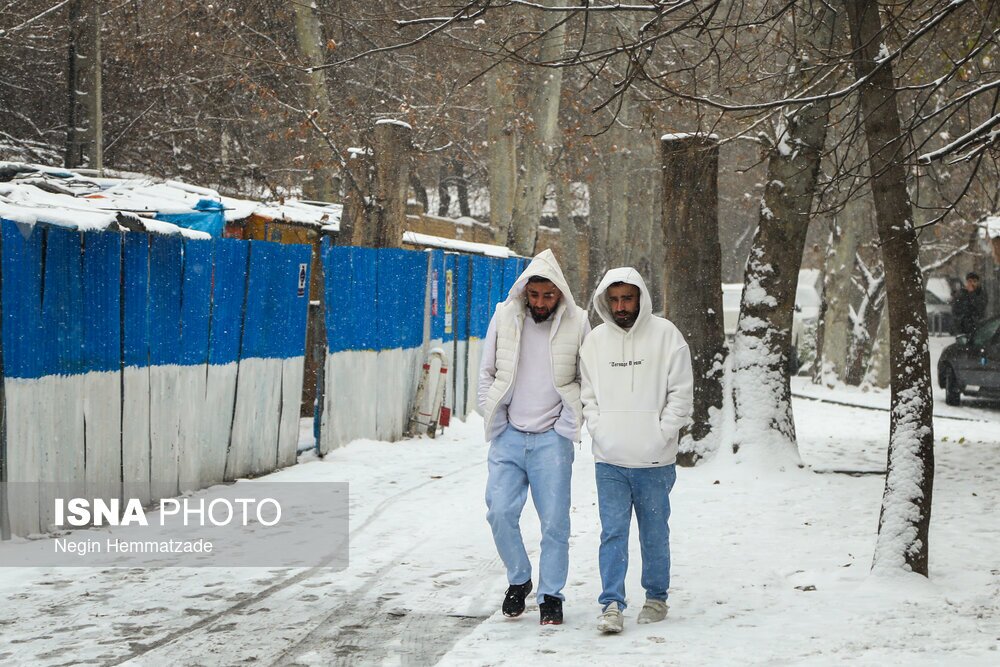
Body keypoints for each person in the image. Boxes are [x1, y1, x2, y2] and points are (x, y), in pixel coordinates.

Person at [478, 248, 590, 626]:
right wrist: (493, 415)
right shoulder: (504, 316)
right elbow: (487, 372)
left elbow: (586, 378)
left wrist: (565, 425)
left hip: (552, 440)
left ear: (560, 293)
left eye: (548, 295)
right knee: (499, 512)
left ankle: (551, 595)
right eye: (535, 294)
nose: (540, 302)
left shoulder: (579, 323)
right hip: (509, 434)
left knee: (554, 522)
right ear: (525, 290)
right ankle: (520, 578)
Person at [579, 267, 693, 634]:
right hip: (610, 460)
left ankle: (656, 598)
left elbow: (681, 394)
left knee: (654, 534)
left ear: (640, 297)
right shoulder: (595, 342)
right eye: (613, 300)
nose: (620, 307)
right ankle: (611, 604)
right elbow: (588, 396)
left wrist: (661, 434)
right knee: (612, 533)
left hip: (655, 461)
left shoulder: (667, 336)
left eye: (627, 298)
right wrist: (600, 431)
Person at [952, 271, 988, 336]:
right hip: (963, 328)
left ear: (978, 282)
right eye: (970, 281)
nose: (972, 283)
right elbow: (955, 310)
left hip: (977, 327)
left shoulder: (981, 293)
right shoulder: (961, 294)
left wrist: (971, 293)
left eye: (974, 281)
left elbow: (980, 307)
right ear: (966, 282)